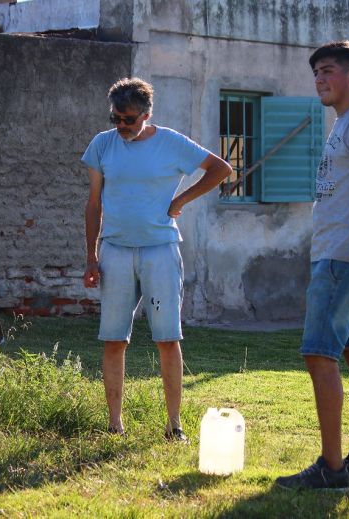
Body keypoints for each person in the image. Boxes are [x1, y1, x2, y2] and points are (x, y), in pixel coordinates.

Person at [82, 77, 232, 440]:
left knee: (167, 338)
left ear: (147, 115)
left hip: (160, 251)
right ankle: (114, 424)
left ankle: (174, 425)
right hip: (115, 250)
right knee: (114, 339)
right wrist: (91, 256)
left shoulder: (171, 142)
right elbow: (94, 204)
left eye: (129, 119)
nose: (121, 126)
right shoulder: (102, 145)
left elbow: (221, 169)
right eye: (116, 118)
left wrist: (181, 201)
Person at [276, 41, 349, 490]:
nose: (320, 79)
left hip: (343, 258)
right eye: (316, 74)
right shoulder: (346, 123)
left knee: (318, 354)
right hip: (342, 254)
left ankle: (331, 469)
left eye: (328, 71)